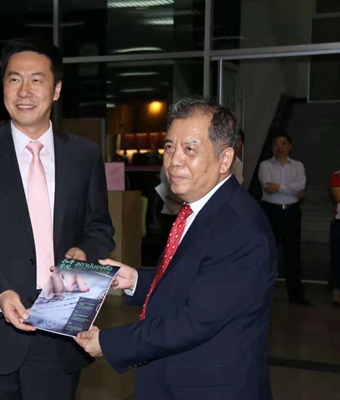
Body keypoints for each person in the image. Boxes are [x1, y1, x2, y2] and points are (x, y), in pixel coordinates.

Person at [74, 98, 277, 400]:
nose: (173, 161)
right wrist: (135, 280)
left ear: (225, 160)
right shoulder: (200, 208)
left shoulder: (241, 230)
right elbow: (190, 281)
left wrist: (108, 342)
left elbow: (193, 320)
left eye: (190, 150)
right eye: (169, 147)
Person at [0, 37, 115, 400]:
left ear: (56, 89)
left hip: (60, 325)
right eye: (14, 79)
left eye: (36, 80)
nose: (24, 91)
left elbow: (100, 228)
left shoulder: (83, 155)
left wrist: (84, 253)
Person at [258, 133, 307, 305]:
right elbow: (268, 188)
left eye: (283, 143)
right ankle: (262, 294)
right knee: (268, 253)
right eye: (276, 144)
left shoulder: (298, 166)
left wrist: (279, 187)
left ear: (289, 147)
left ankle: (296, 295)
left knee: (293, 254)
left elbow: (301, 185)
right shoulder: (264, 165)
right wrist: (291, 189)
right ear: (272, 148)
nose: (280, 147)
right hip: (270, 212)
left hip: (291, 212)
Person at [329, 170, 340, 306]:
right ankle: (337, 292)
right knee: (337, 259)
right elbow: (338, 196)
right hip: (339, 222)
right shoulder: (337, 176)